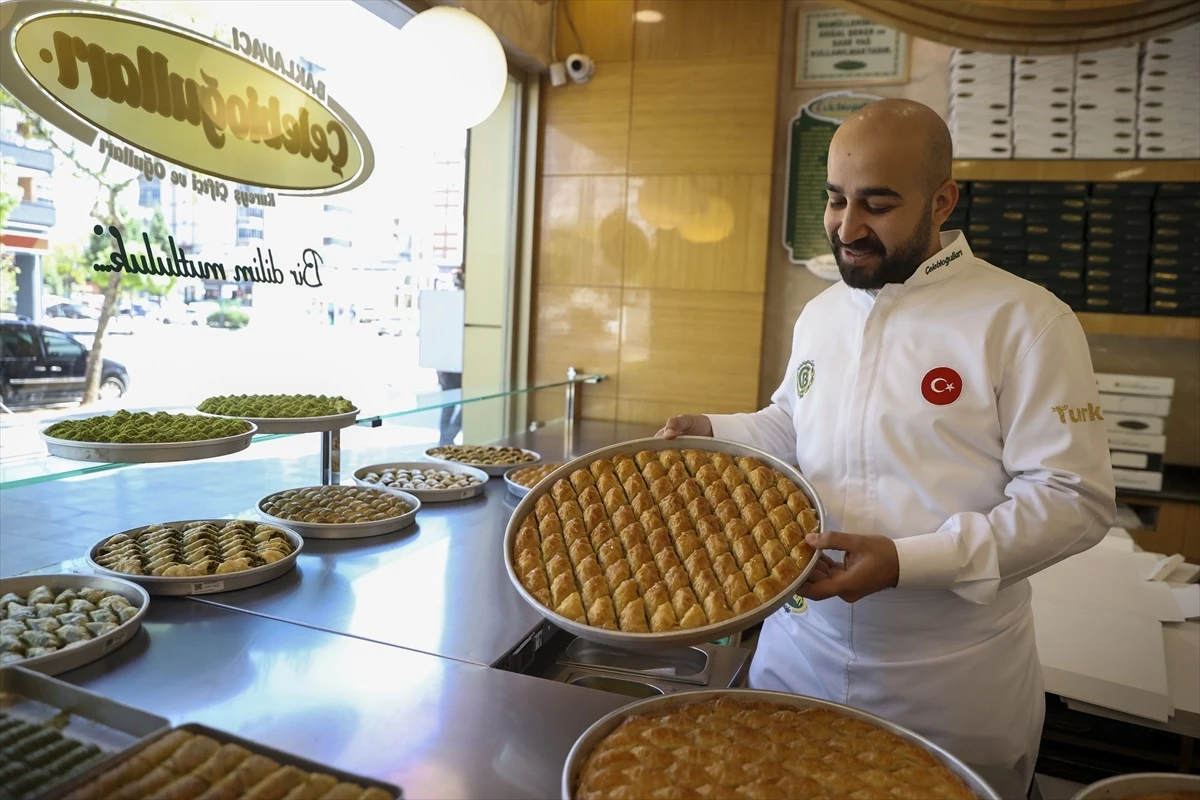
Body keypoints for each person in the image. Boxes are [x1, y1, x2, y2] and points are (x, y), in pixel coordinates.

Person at [657, 99, 1115, 799]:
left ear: (942, 201)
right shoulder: (822, 313)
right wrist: (716, 433)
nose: (848, 227)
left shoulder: (1026, 321)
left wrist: (906, 562)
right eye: (836, 201)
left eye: (877, 204)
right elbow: (794, 425)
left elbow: (1073, 502)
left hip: (948, 688)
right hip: (795, 662)